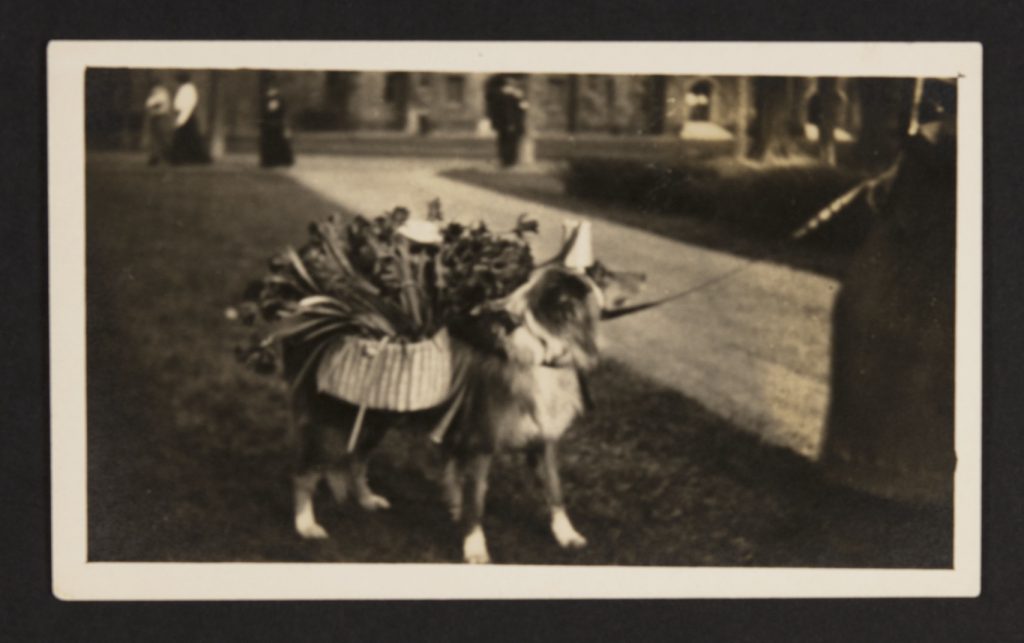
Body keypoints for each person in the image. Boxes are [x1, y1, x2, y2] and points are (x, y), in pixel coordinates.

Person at [485, 75, 528, 168]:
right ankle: (507, 161)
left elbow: (522, 108)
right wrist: (510, 123)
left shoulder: (514, 95)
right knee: (507, 142)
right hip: (509, 124)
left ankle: (508, 161)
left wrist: (521, 100)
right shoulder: (508, 95)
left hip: (511, 123)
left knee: (508, 142)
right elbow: (508, 111)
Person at [169, 72, 210, 164]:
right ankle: (188, 158)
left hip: (187, 115)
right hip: (186, 116)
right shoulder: (187, 88)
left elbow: (187, 105)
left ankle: (180, 159)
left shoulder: (187, 89)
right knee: (189, 139)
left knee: (186, 138)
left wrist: (181, 119)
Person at [259, 86, 294, 168]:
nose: (271, 93)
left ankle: (282, 161)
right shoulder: (265, 103)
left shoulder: (280, 102)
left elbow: (282, 114)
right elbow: (265, 115)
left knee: (280, 143)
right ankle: (269, 162)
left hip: (278, 126)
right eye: (270, 91)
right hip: (269, 127)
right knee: (269, 143)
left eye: (273, 91)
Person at [143, 82, 172, 165]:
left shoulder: (160, 92)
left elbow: (154, 104)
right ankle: (155, 157)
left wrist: (151, 106)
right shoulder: (157, 92)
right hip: (155, 117)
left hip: (160, 117)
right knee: (156, 138)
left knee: (161, 138)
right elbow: (148, 104)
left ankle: (162, 157)